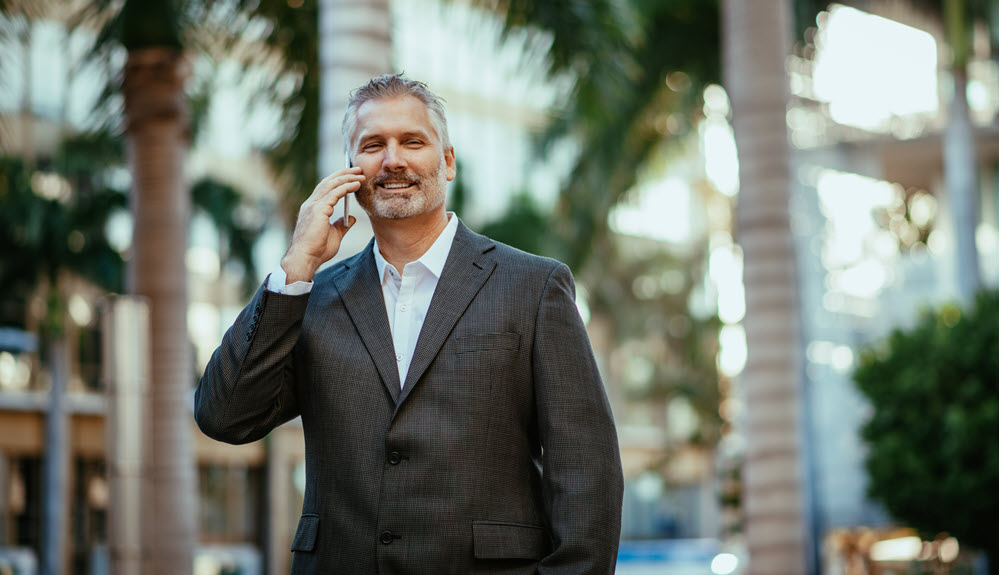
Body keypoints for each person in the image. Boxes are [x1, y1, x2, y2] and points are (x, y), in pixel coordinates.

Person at [194, 73, 624, 575]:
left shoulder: (533, 286)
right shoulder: (309, 297)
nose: (392, 159)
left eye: (412, 142)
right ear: (352, 170)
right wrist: (296, 267)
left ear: (447, 162)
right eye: (372, 145)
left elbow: (586, 470)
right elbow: (224, 416)